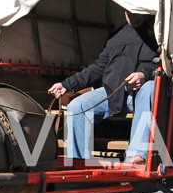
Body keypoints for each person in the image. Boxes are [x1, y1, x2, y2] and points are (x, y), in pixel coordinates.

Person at [48, 10, 158, 164]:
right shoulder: (116, 36)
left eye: (136, 10)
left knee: (150, 87)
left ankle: (135, 156)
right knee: (77, 106)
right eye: (128, 10)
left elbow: (168, 65)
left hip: (144, 96)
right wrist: (66, 85)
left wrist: (145, 75)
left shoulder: (160, 34)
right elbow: (98, 68)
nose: (131, 14)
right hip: (114, 93)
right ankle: (78, 162)